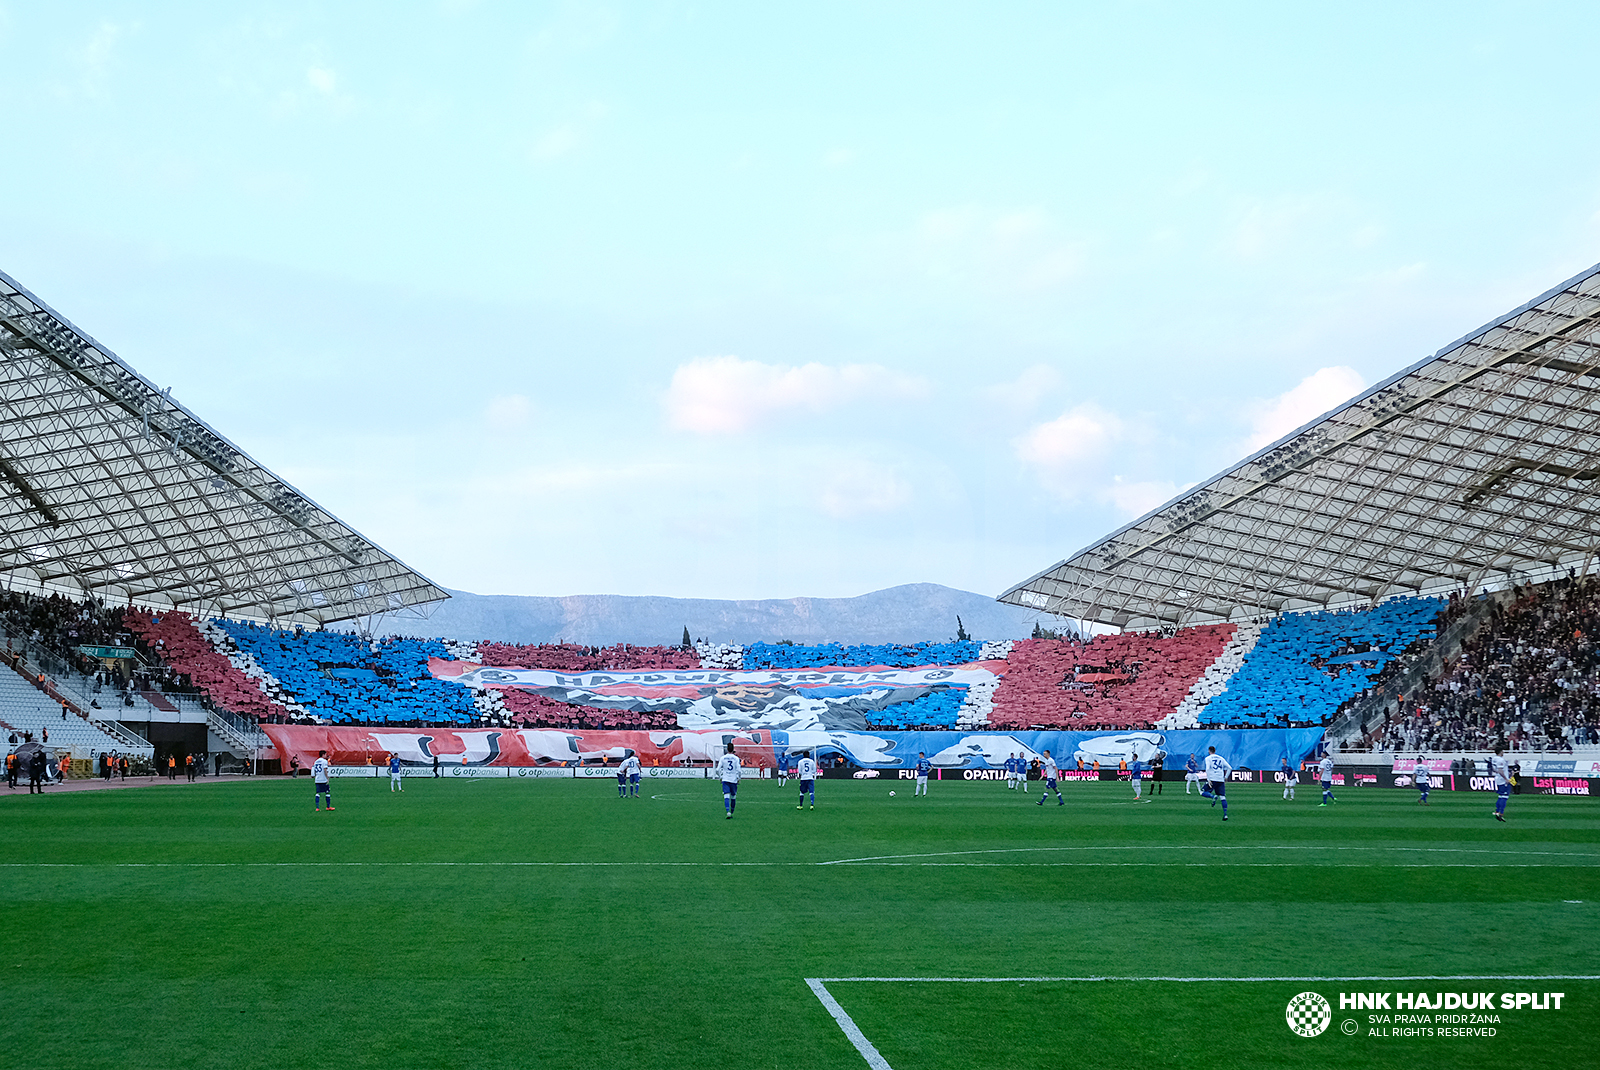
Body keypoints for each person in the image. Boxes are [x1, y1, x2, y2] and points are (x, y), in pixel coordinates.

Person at [1202, 746, 1231, 821]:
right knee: (1223, 797)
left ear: (1209, 751)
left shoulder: (1208, 758)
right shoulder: (1221, 758)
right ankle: (1225, 814)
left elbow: (1208, 768)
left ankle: (1213, 797)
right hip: (1220, 779)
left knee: (1203, 792)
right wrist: (1226, 777)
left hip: (1212, 779)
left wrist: (1208, 779)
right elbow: (1229, 768)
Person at [717, 744, 742, 818]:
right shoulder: (736, 758)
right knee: (733, 796)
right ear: (733, 749)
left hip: (725, 779)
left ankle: (728, 811)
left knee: (726, 795)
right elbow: (739, 770)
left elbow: (717, 769)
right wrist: (738, 778)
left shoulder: (723, 758)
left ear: (727, 749)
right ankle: (732, 811)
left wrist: (720, 777)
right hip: (733, 780)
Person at [1490, 746, 1512, 822]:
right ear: (1500, 752)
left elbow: (1494, 769)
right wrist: (1506, 778)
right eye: (1502, 751)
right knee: (1504, 796)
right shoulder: (1500, 760)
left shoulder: (1494, 759)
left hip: (1498, 778)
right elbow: (1500, 770)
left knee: (1500, 795)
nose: (1503, 752)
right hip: (1503, 780)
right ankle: (1501, 813)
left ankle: (1497, 811)